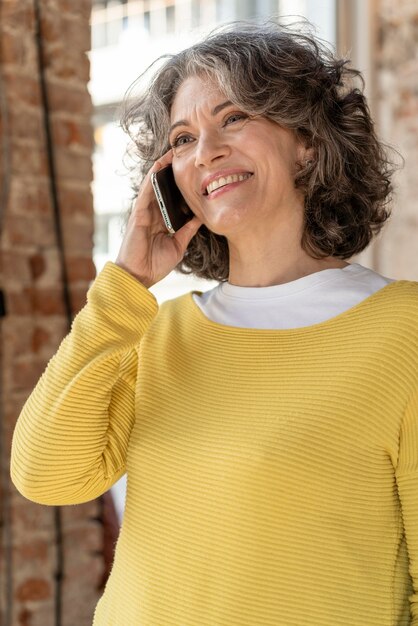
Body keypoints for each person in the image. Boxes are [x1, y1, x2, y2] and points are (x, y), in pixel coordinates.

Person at [10, 20, 418, 626]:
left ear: (306, 139)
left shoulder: (402, 330)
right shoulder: (153, 329)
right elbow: (47, 474)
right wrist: (127, 282)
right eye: (181, 139)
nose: (205, 152)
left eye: (233, 118)